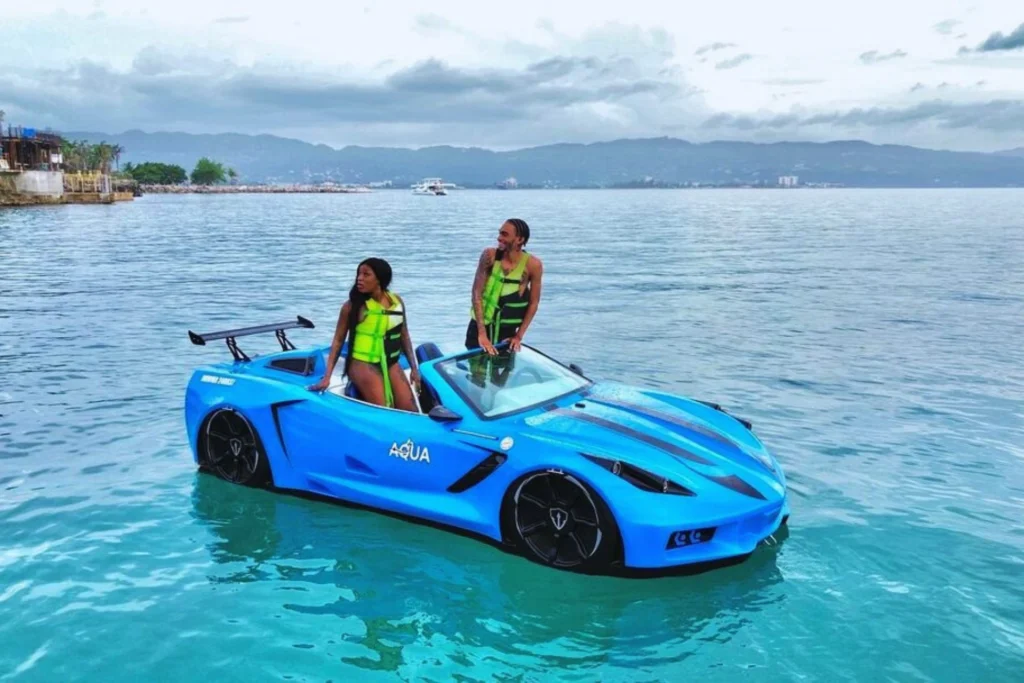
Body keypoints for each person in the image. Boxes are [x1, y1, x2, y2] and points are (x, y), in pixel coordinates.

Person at [309, 258, 420, 412]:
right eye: (359, 274)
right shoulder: (351, 307)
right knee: (385, 410)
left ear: (380, 279)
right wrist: (327, 377)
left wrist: (415, 369)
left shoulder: (397, 301)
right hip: (362, 363)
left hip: (390, 362)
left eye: (366, 274)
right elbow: (338, 341)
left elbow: (404, 336)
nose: (359, 278)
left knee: (410, 410)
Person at [467, 218, 543, 354]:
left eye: (505, 234)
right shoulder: (489, 256)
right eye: (500, 233)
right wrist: (482, 335)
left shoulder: (533, 265)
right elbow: (476, 293)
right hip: (479, 329)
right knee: (477, 373)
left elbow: (534, 303)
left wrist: (519, 336)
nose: (499, 238)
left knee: (502, 372)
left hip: (507, 334)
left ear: (520, 239)